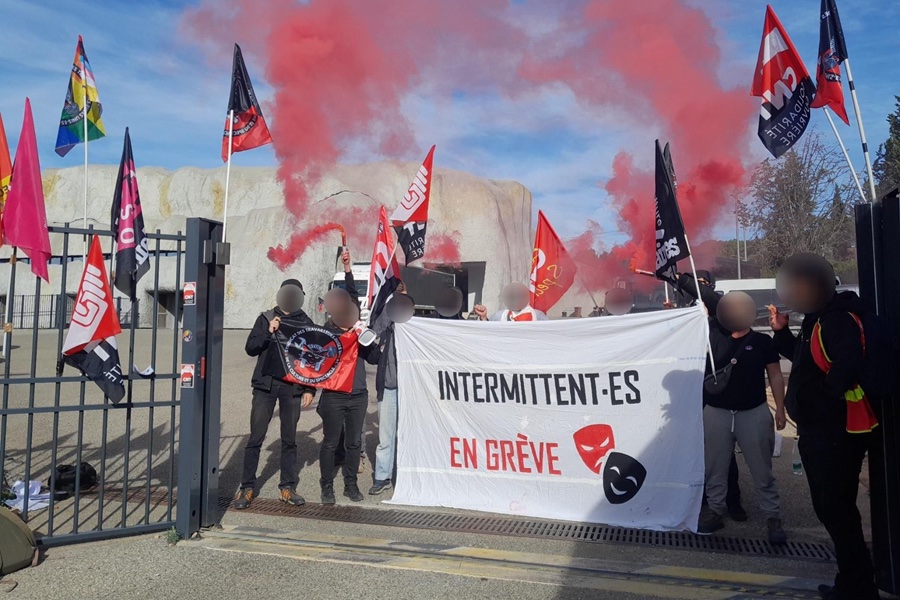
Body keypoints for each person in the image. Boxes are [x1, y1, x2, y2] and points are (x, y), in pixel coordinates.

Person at [770, 253, 879, 600]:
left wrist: (817, 400)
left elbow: (847, 366)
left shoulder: (836, 320)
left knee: (837, 511)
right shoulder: (816, 319)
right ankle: (852, 582)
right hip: (823, 431)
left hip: (834, 433)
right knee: (833, 510)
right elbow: (806, 362)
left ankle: (858, 588)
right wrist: (782, 332)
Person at [697, 292, 787, 544]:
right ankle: (715, 509)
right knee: (715, 468)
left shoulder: (761, 341)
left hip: (754, 412)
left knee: (762, 469)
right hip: (717, 412)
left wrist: (780, 408)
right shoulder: (712, 334)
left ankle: (772, 516)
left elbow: (776, 375)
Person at [234, 279, 315, 510]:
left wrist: (310, 388)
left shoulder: (305, 323)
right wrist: (269, 332)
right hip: (265, 386)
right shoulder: (266, 318)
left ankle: (287, 487)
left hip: (292, 387)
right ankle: (247, 487)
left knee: (289, 440)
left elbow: (312, 359)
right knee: (255, 438)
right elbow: (251, 348)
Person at [678, 269, 746, 520]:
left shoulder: (722, 312)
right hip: (689, 393)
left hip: (716, 393)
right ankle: (704, 497)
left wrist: (689, 285)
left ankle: (734, 500)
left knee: (724, 451)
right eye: (695, 285)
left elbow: (718, 304)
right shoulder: (683, 313)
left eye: (702, 284)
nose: (697, 289)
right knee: (697, 448)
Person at [318, 287, 381, 504]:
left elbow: (375, 358)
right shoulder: (327, 333)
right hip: (334, 395)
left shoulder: (358, 334)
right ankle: (326, 485)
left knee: (353, 443)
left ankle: (350, 484)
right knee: (331, 442)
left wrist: (366, 336)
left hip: (358, 394)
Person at [369, 292, 416, 495]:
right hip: (388, 387)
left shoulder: (417, 327)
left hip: (411, 390)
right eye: (396, 303)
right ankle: (382, 477)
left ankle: (411, 476)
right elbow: (371, 336)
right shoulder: (386, 328)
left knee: (410, 435)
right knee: (385, 436)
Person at [473, 282, 549, 321]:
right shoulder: (499, 316)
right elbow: (488, 333)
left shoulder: (538, 315)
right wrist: (483, 317)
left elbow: (550, 333)